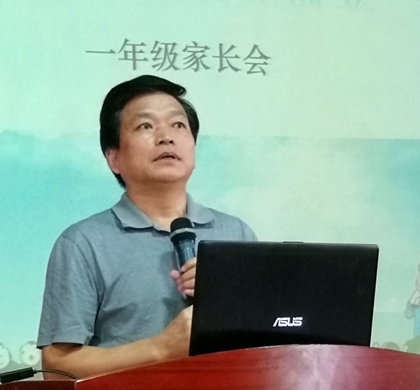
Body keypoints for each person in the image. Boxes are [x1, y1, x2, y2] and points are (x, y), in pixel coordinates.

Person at [37, 75, 256, 378]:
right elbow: (56, 367)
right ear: (114, 158)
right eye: (145, 126)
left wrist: (227, 298)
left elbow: (268, 346)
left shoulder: (237, 234)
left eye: (178, 125)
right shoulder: (83, 243)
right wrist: (160, 349)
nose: (166, 137)